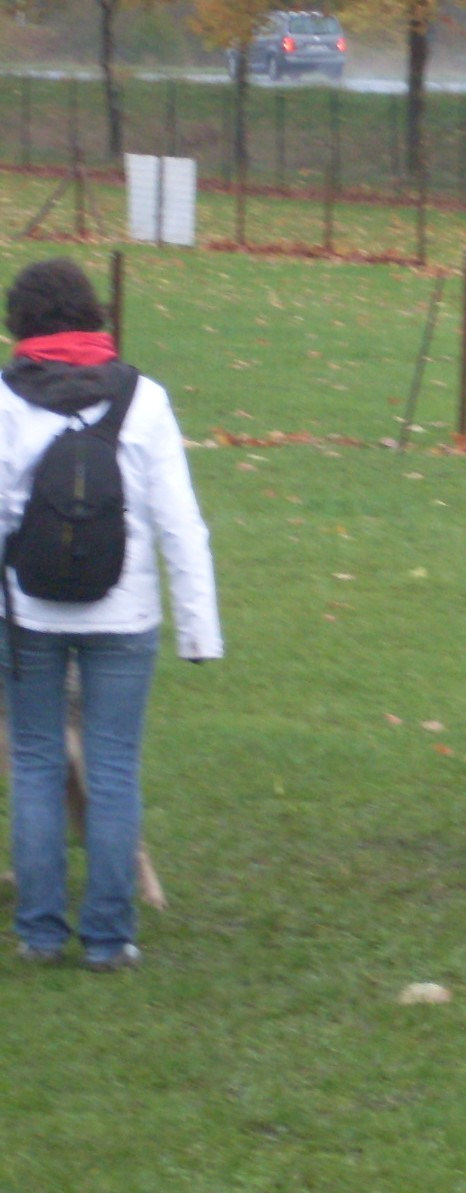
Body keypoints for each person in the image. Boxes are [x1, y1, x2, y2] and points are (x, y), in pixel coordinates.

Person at [0, 258, 221, 970]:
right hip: (124, 615)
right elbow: (181, 523)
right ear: (94, 316)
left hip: (27, 612)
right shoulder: (145, 400)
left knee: (34, 767)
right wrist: (199, 628)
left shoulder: (5, 400)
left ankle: (38, 933)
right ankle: (109, 937)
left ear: (20, 324)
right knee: (115, 768)